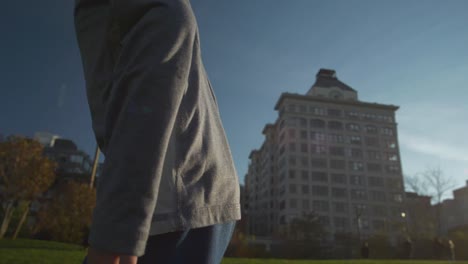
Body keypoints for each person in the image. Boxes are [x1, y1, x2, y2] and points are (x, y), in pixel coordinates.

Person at [73, 1, 241, 263]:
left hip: (176, 201)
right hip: (198, 188)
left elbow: (144, 113)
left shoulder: (139, 9)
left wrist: (114, 237)